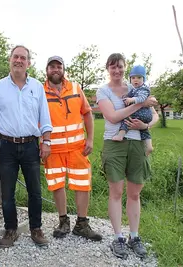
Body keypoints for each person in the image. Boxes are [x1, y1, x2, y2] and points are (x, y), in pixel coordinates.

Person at [0, 45, 53, 248]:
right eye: (16, 56)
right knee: (7, 193)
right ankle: (11, 229)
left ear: (28, 63)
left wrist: (46, 142)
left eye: (23, 57)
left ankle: (36, 229)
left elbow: (45, 118)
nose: (19, 60)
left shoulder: (37, 87)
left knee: (35, 191)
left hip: (31, 145)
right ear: (10, 60)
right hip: (7, 146)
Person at [96, 53, 159, 259]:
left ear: (126, 68)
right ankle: (118, 238)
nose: (117, 71)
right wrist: (141, 104)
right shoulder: (103, 91)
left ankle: (134, 236)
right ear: (108, 69)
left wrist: (146, 125)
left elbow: (155, 113)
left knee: (134, 193)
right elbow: (113, 117)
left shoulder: (136, 87)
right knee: (116, 191)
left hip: (137, 143)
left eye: (120, 67)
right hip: (114, 143)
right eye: (113, 67)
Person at [42, 56, 102, 241]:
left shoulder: (76, 88)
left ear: (63, 69)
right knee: (57, 185)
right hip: (53, 150)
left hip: (78, 148)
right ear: (47, 70)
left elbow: (87, 114)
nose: (55, 69)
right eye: (52, 67)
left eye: (58, 66)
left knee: (82, 184)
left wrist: (90, 139)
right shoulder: (39, 91)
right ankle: (63, 221)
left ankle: (82, 224)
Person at [112, 65, 153, 155]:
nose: (136, 80)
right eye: (133, 78)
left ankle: (121, 135)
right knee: (144, 131)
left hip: (143, 112)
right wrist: (126, 97)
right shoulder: (135, 89)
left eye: (139, 77)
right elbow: (129, 94)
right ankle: (149, 147)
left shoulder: (143, 89)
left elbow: (142, 98)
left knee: (127, 118)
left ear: (144, 79)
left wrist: (132, 100)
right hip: (145, 115)